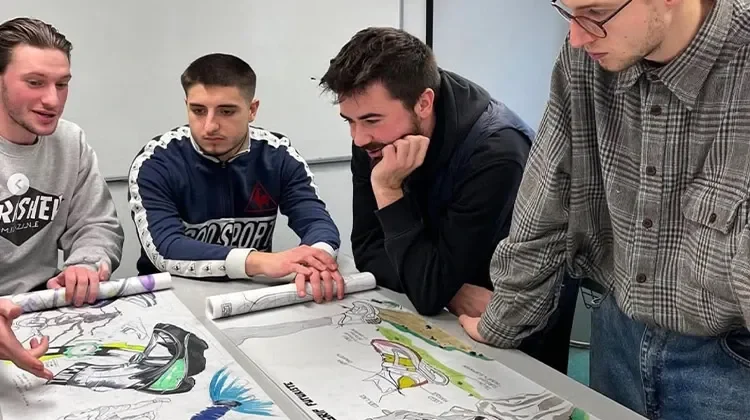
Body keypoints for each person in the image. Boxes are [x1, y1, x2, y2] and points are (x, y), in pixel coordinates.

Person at [459, 0, 750, 418]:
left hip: (731, 360)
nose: (577, 37)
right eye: (568, 12)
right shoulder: (584, 57)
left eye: (595, 12)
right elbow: (547, 197)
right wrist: (504, 321)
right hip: (616, 333)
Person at [319, 27, 579, 374]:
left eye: (370, 120)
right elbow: (368, 250)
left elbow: (428, 291)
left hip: (508, 312)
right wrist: (452, 293)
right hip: (449, 304)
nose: (359, 137)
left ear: (424, 103)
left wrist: (388, 192)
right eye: (349, 121)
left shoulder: (496, 152)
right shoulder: (375, 139)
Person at [129, 53, 343, 303]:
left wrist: (317, 260)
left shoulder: (278, 155)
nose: (210, 126)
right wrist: (262, 261)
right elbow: (164, 247)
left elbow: (317, 222)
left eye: (226, 111)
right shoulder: (156, 162)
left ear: (252, 110)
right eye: (198, 110)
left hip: (251, 297)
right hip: (171, 300)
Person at [0, 17, 124, 379]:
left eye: (62, 84)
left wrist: (86, 263)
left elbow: (96, 224)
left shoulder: (71, 142)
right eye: (35, 83)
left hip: (42, 311)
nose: (52, 100)